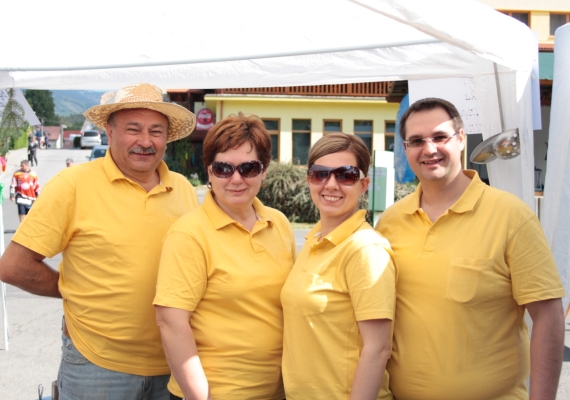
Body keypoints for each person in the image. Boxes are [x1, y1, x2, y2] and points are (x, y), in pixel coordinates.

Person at [0, 83, 199, 400]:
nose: (145, 141)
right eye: (133, 129)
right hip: (96, 366)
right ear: (110, 131)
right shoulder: (72, 185)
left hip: (174, 364)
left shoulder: (183, 188)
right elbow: (13, 266)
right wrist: (73, 290)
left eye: (156, 131)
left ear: (166, 138)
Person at [376, 97, 565, 400]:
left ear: (461, 138)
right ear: (405, 148)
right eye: (417, 141)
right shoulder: (390, 222)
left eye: (440, 136)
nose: (429, 149)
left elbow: (548, 317)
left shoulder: (511, 216)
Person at [154, 112, 296, 400]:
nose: (236, 179)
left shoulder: (278, 223)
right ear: (209, 172)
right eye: (223, 168)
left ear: (264, 171)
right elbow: (171, 323)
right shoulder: (189, 233)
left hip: (278, 392)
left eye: (248, 168)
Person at [281, 133, 395, 400]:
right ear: (309, 180)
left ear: (363, 184)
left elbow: (378, 349)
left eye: (345, 175)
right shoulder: (314, 240)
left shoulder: (365, 249)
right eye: (320, 174)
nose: (331, 184)